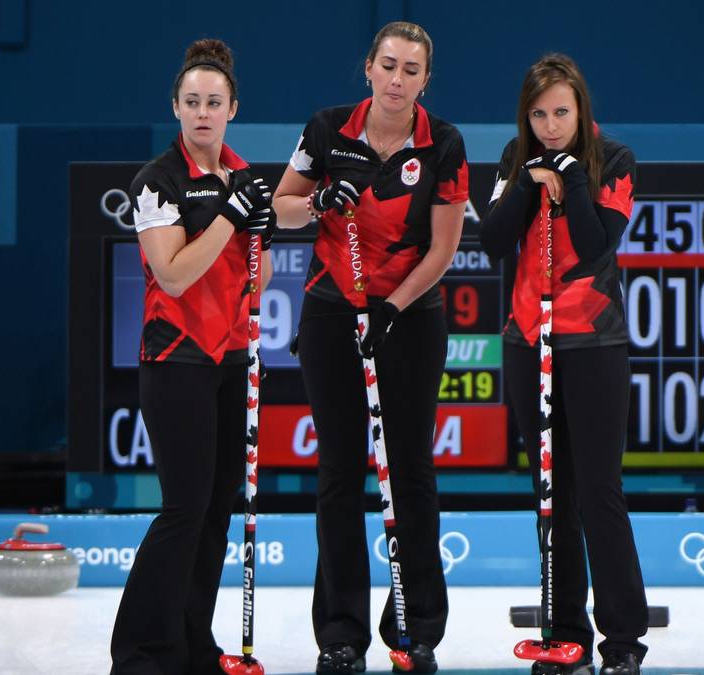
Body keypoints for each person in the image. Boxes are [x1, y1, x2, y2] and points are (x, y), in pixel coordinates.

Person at [271, 21, 467, 675]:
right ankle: (340, 633)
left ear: (425, 80)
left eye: (411, 70)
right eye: (388, 65)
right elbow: (281, 207)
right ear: (368, 68)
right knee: (338, 471)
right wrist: (321, 200)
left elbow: (443, 248)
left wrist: (391, 308)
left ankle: (416, 629)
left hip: (408, 315)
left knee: (410, 470)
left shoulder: (443, 142)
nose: (396, 80)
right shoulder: (327, 129)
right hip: (331, 310)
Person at [480, 53, 648, 675]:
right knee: (552, 492)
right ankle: (565, 634)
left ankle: (623, 640)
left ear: (581, 110)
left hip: (593, 344)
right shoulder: (515, 159)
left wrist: (573, 180)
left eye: (560, 113)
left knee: (599, 491)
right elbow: (494, 241)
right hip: (529, 341)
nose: (550, 127)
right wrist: (529, 183)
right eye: (538, 115)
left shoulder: (615, 160)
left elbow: (596, 242)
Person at [110, 39, 275, 674]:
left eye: (214, 102)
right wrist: (231, 218)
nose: (203, 113)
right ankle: (140, 653)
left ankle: (191, 647)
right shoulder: (158, 181)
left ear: (233, 108)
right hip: (177, 358)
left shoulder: (243, 175)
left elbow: (257, 281)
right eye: (192, 102)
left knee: (214, 513)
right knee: (183, 507)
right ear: (175, 108)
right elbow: (174, 275)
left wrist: (258, 229)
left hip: (231, 358)